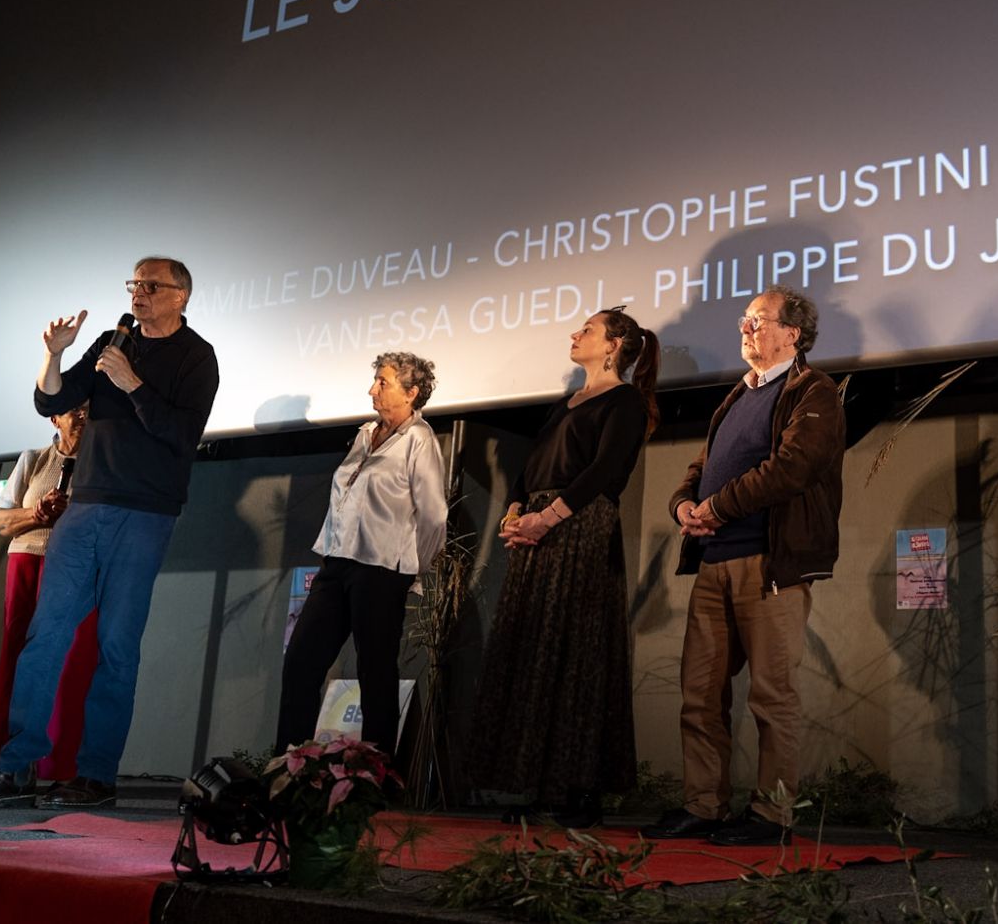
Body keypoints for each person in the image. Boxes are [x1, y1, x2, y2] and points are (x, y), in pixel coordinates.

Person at [0, 256, 219, 809]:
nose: (138, 293)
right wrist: (53, 355)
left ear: (180, 296)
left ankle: (96, 776)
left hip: (144, 513)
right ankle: (15, 768)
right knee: (44, 636)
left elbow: (181, 434)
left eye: (151, 285)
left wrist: (132, 384)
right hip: (85, 506)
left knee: (116, 645)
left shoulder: (197, 356)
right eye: (134, 284)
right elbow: (50, 400)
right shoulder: (111, 340)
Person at [645, 285, 843, 846]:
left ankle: (772, 815)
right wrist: (684, 506)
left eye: (758, 320)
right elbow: (699, 470)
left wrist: (718, 507)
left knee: (772, 698)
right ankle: (704, 806)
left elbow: (792, 467)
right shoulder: (739, 394)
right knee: (700, 696)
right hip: (714, 563)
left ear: (792, 333)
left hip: (769, 565)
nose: (745, 329)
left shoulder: (813, 390)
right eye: (744, 319)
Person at [468, 307, 661, 826]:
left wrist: (548, 518)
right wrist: (515, 512)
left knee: (576, 652)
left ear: (614, 345)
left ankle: (578, 789)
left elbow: (605, 471)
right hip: (539, 528)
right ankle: (537, 784)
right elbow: (532, 465)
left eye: (588, 330)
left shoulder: (624, 401)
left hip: (579, 525)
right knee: (535, 651)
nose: (576, 334)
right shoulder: (566, 402)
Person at [275, 352, 448, 756]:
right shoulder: (366, 433)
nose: (372, 390)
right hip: (337, 564)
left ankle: (378, 773)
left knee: (375, 673)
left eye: (383, 383)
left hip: (381, 570)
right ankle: (289, 764)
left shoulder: (419, 439)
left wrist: (411, 568)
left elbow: (434, 516)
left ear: (411, 392)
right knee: (300, 661)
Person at [0, 406, 101, 780]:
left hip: (75, 567)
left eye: (89, 410)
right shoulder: (33, 459)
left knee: (72, 662)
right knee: (16, 658)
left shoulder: (104, 463)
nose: (83, 416)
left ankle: (59, 768)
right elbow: (0, 520)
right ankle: (5, 765)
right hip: (27, 563)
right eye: (74, 410)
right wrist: (37, 514)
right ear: (54, 419)